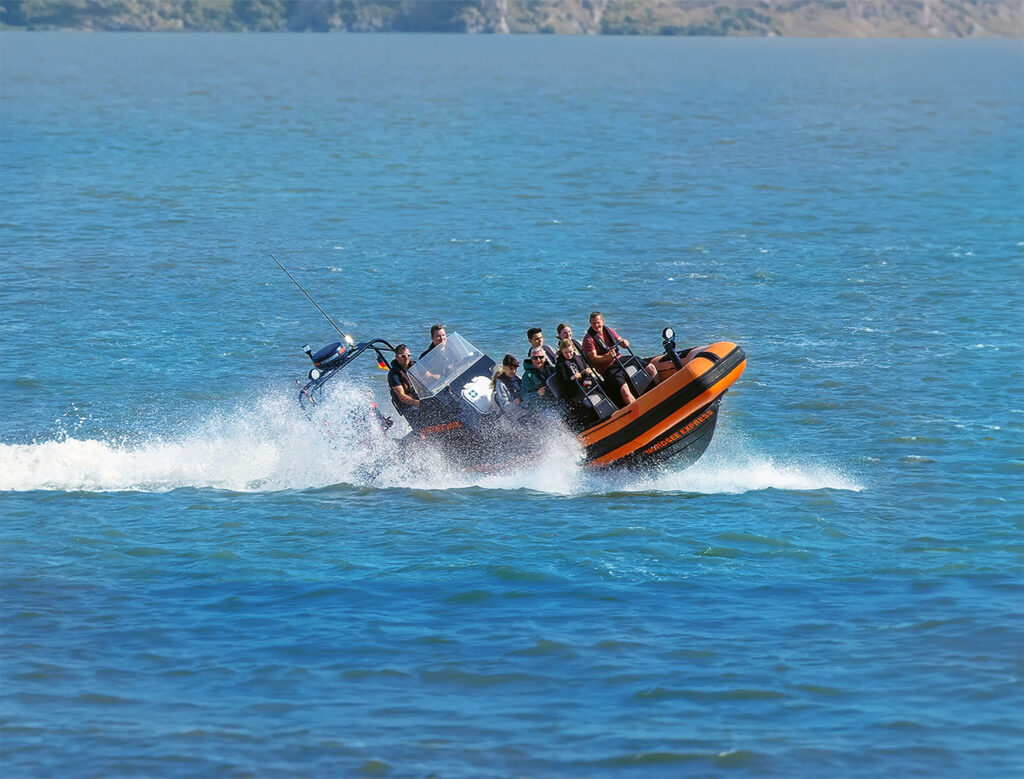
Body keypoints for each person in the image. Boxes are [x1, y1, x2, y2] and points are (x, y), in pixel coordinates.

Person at [582, 311, 656, 406]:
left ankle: (659, 393)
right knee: (624, 389)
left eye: (598, 322)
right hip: (608, 368)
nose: (596, 325)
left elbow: (619, 340)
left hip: (619, 359)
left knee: (650, 367)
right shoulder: (589, 339)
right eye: (593, 323)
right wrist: (608, 356)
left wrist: (625, 342)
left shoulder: (608, 330)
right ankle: (639, 410)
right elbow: (594, 359)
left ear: (603, 321)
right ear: (590, 323)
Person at [555, 337, 598, 426]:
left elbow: (586, 367)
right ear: (561, 352)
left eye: (570, 351)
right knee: (581, 406)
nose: (568, 354)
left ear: (573, 349)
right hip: (572, 391)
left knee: (601, 386)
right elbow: (563, 382)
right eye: (565, 352)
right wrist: (572, 378)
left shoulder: (579, 358)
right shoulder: (560, 365)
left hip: (584, 385)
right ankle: (590, 424)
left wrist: (588, 371)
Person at [387, 344, 422, 427]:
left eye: (408, 355)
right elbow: (401, 396)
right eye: (403, 356)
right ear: (397, 357)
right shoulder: (393, 374)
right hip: (408, 406)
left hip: (420, 399)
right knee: (420, 410)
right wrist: (418, 403)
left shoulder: (415, 366)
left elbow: (429, 376)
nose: (406, 357)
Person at [521, 345, 556, 409]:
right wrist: (537, 393)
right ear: (531, 359)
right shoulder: (528, 375)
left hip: (555, 401)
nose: (538, 360)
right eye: (535, 358)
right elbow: (524, 397)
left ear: (545, 358)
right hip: (541, 407)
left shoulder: (552, 369)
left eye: (541, 357)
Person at [491, 354, 523, 419]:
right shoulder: (500, 384)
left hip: (524, 410)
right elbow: (504, 407)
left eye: (515, 368)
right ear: (504, 368)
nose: (514, 371)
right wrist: (515, 403)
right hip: (513, 417)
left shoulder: (518, 379)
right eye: (511, 369)